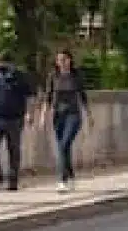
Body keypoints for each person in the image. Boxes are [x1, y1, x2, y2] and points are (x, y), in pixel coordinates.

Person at [0, 53, 33, 190]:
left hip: (15, 118)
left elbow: (30, 95)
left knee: (14, 150)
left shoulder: (20, 76)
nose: (1, 67)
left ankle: (13, 180)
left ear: (11, 64)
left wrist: (29, 113)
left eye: (5, 64)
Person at [39, 51, 87, 192]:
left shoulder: (76, 75)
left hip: (73, 114)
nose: (62, 62)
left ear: (70, 60)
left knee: (64, 144)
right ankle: (71, 176)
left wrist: (89, 116)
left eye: (65, 59)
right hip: (58, 115)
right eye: (59, 60)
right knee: (63, 147)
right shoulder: (53, 76)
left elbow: (83, 96)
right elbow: (48, 96)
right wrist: (43, 115)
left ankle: (62, 180)